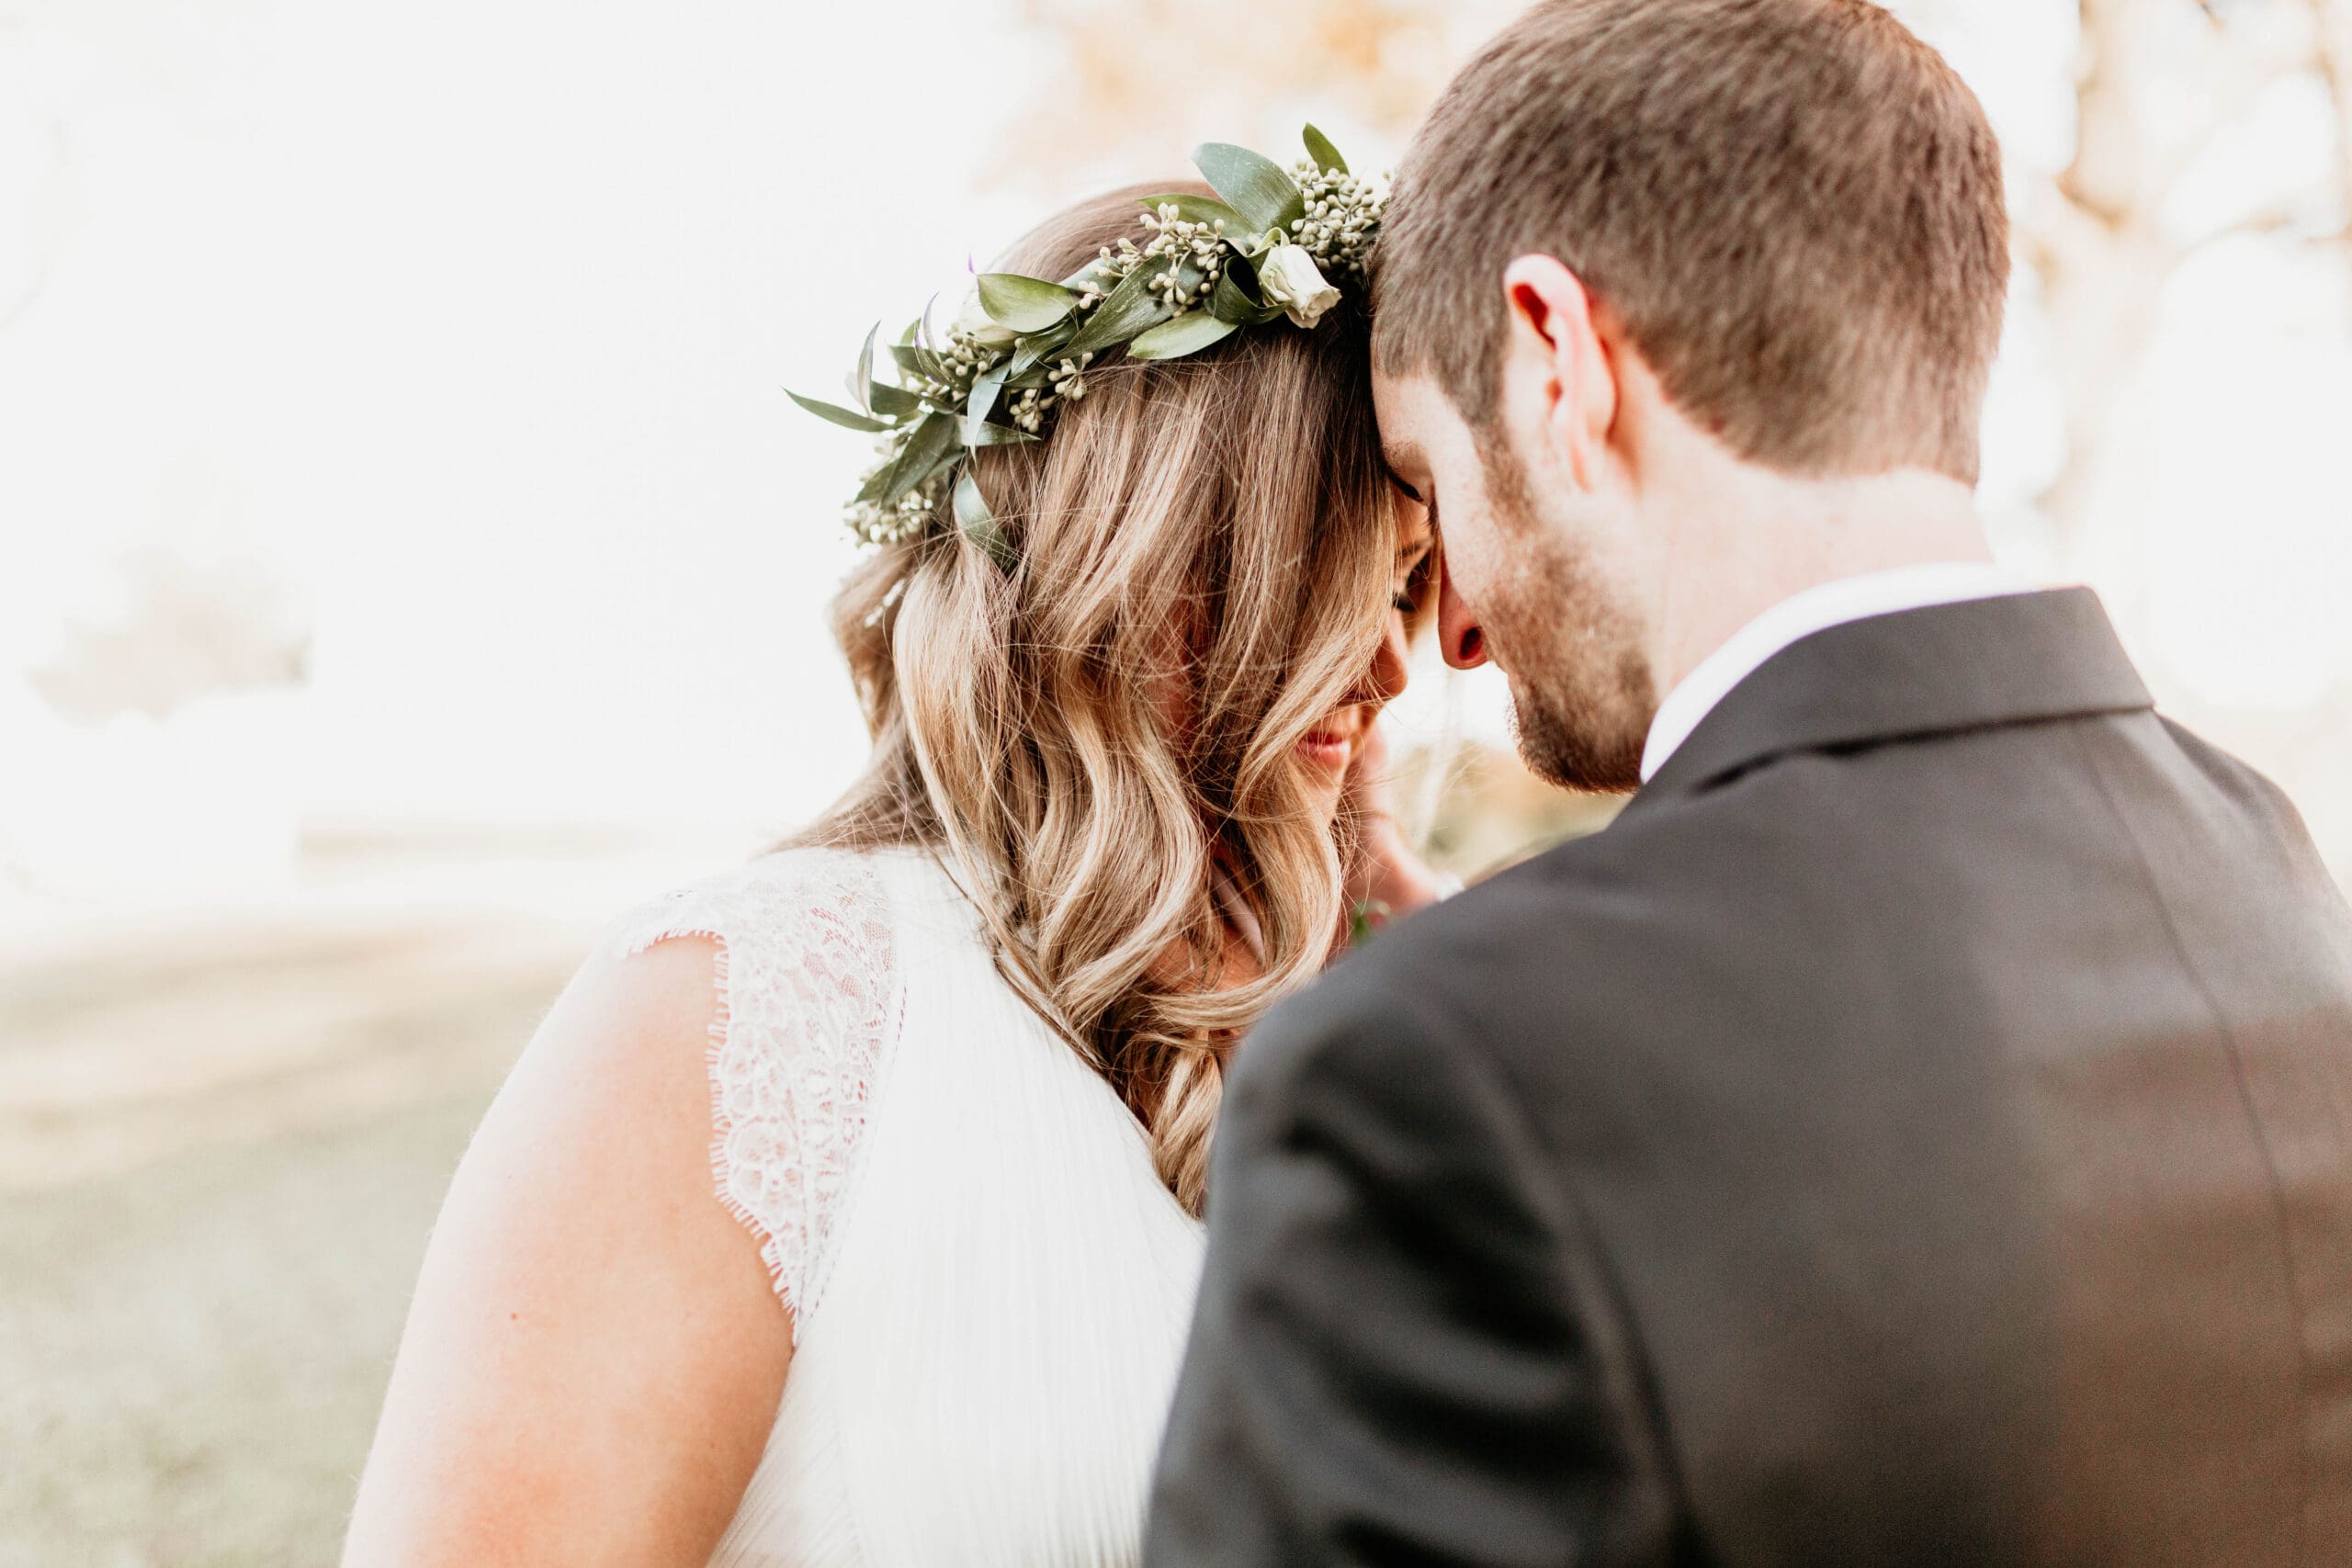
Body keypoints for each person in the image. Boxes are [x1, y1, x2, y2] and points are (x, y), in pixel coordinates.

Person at [1148, 2, 2352, 1564]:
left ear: (1559, 356)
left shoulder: (1435, 1076)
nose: (1446, 626)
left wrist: (1479, 1001)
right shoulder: (2271, 888)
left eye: (1436, 481)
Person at [342, 159, 1444, 1566]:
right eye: (1333, 576)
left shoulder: (1362, 1013)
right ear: (1141, 556)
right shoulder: (737, 1019)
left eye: (1407, 577)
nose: (1398, 660)